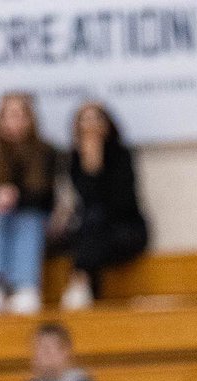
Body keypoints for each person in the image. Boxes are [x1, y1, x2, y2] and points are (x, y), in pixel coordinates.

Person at [0, 93, 59, 316]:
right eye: (9, 115)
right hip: (9, 216)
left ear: (30, 119)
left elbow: (44, 198)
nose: (14, 121)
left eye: (20, 115)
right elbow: (0, 192)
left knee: (27, 220)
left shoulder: (47, 151)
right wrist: (4, 198)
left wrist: (15, 196)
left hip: (41, 216)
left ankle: (26, 287)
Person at [58, 103, 149, 311]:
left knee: (94, 222)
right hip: (93, 234)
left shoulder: (122, 155)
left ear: (107, 125)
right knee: (89, 226)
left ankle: (80, 280)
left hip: (126, 230)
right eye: (85, 120)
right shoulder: (75, 159)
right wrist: (90, 165)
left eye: (95, 119)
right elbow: (85, 202)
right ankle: (85, 289)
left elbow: (121, 203)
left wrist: (97, 167)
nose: (90, 126)